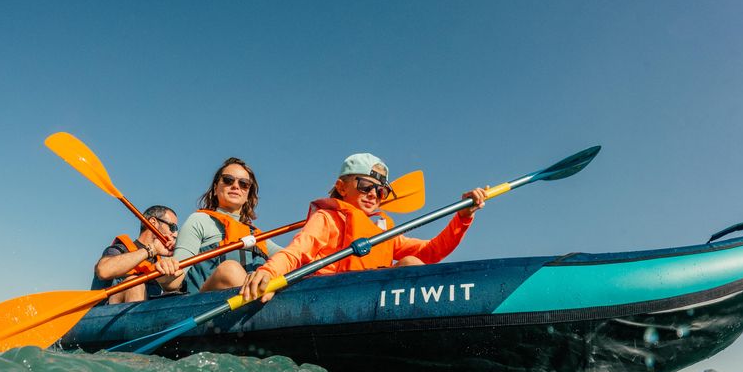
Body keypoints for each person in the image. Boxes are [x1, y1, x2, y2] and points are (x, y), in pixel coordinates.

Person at [240, 153, 486, 302]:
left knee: (412, 263)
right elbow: (296, 252)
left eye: (381, 191)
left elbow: (432, 251)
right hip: (329, 297)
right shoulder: (327, 218)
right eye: (365, 186)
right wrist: (270, 272)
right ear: (342, 186)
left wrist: (462, 217)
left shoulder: (383, 230)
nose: (373, 195)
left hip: (370, 298)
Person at [172, 157, 283, 294]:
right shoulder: (199, 221)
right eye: (228, 180)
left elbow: (290, 257)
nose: (236, 186)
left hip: (249, 306)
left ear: (248, 194)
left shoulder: (257, 236)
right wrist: (167, 270)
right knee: (229, 269)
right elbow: (175, 280)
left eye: (244, 183)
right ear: (215, 188)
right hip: (204, 306)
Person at [92, 205, 184, 304]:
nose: (175, 234)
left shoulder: (160, 262)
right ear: (153, 223)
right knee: (134, 283)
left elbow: (172, 286)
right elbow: (103, 271)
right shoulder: (121, 249)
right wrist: (152, 249)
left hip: (146, 314)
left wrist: (172, 267)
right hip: (106, 314)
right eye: (172, 227)